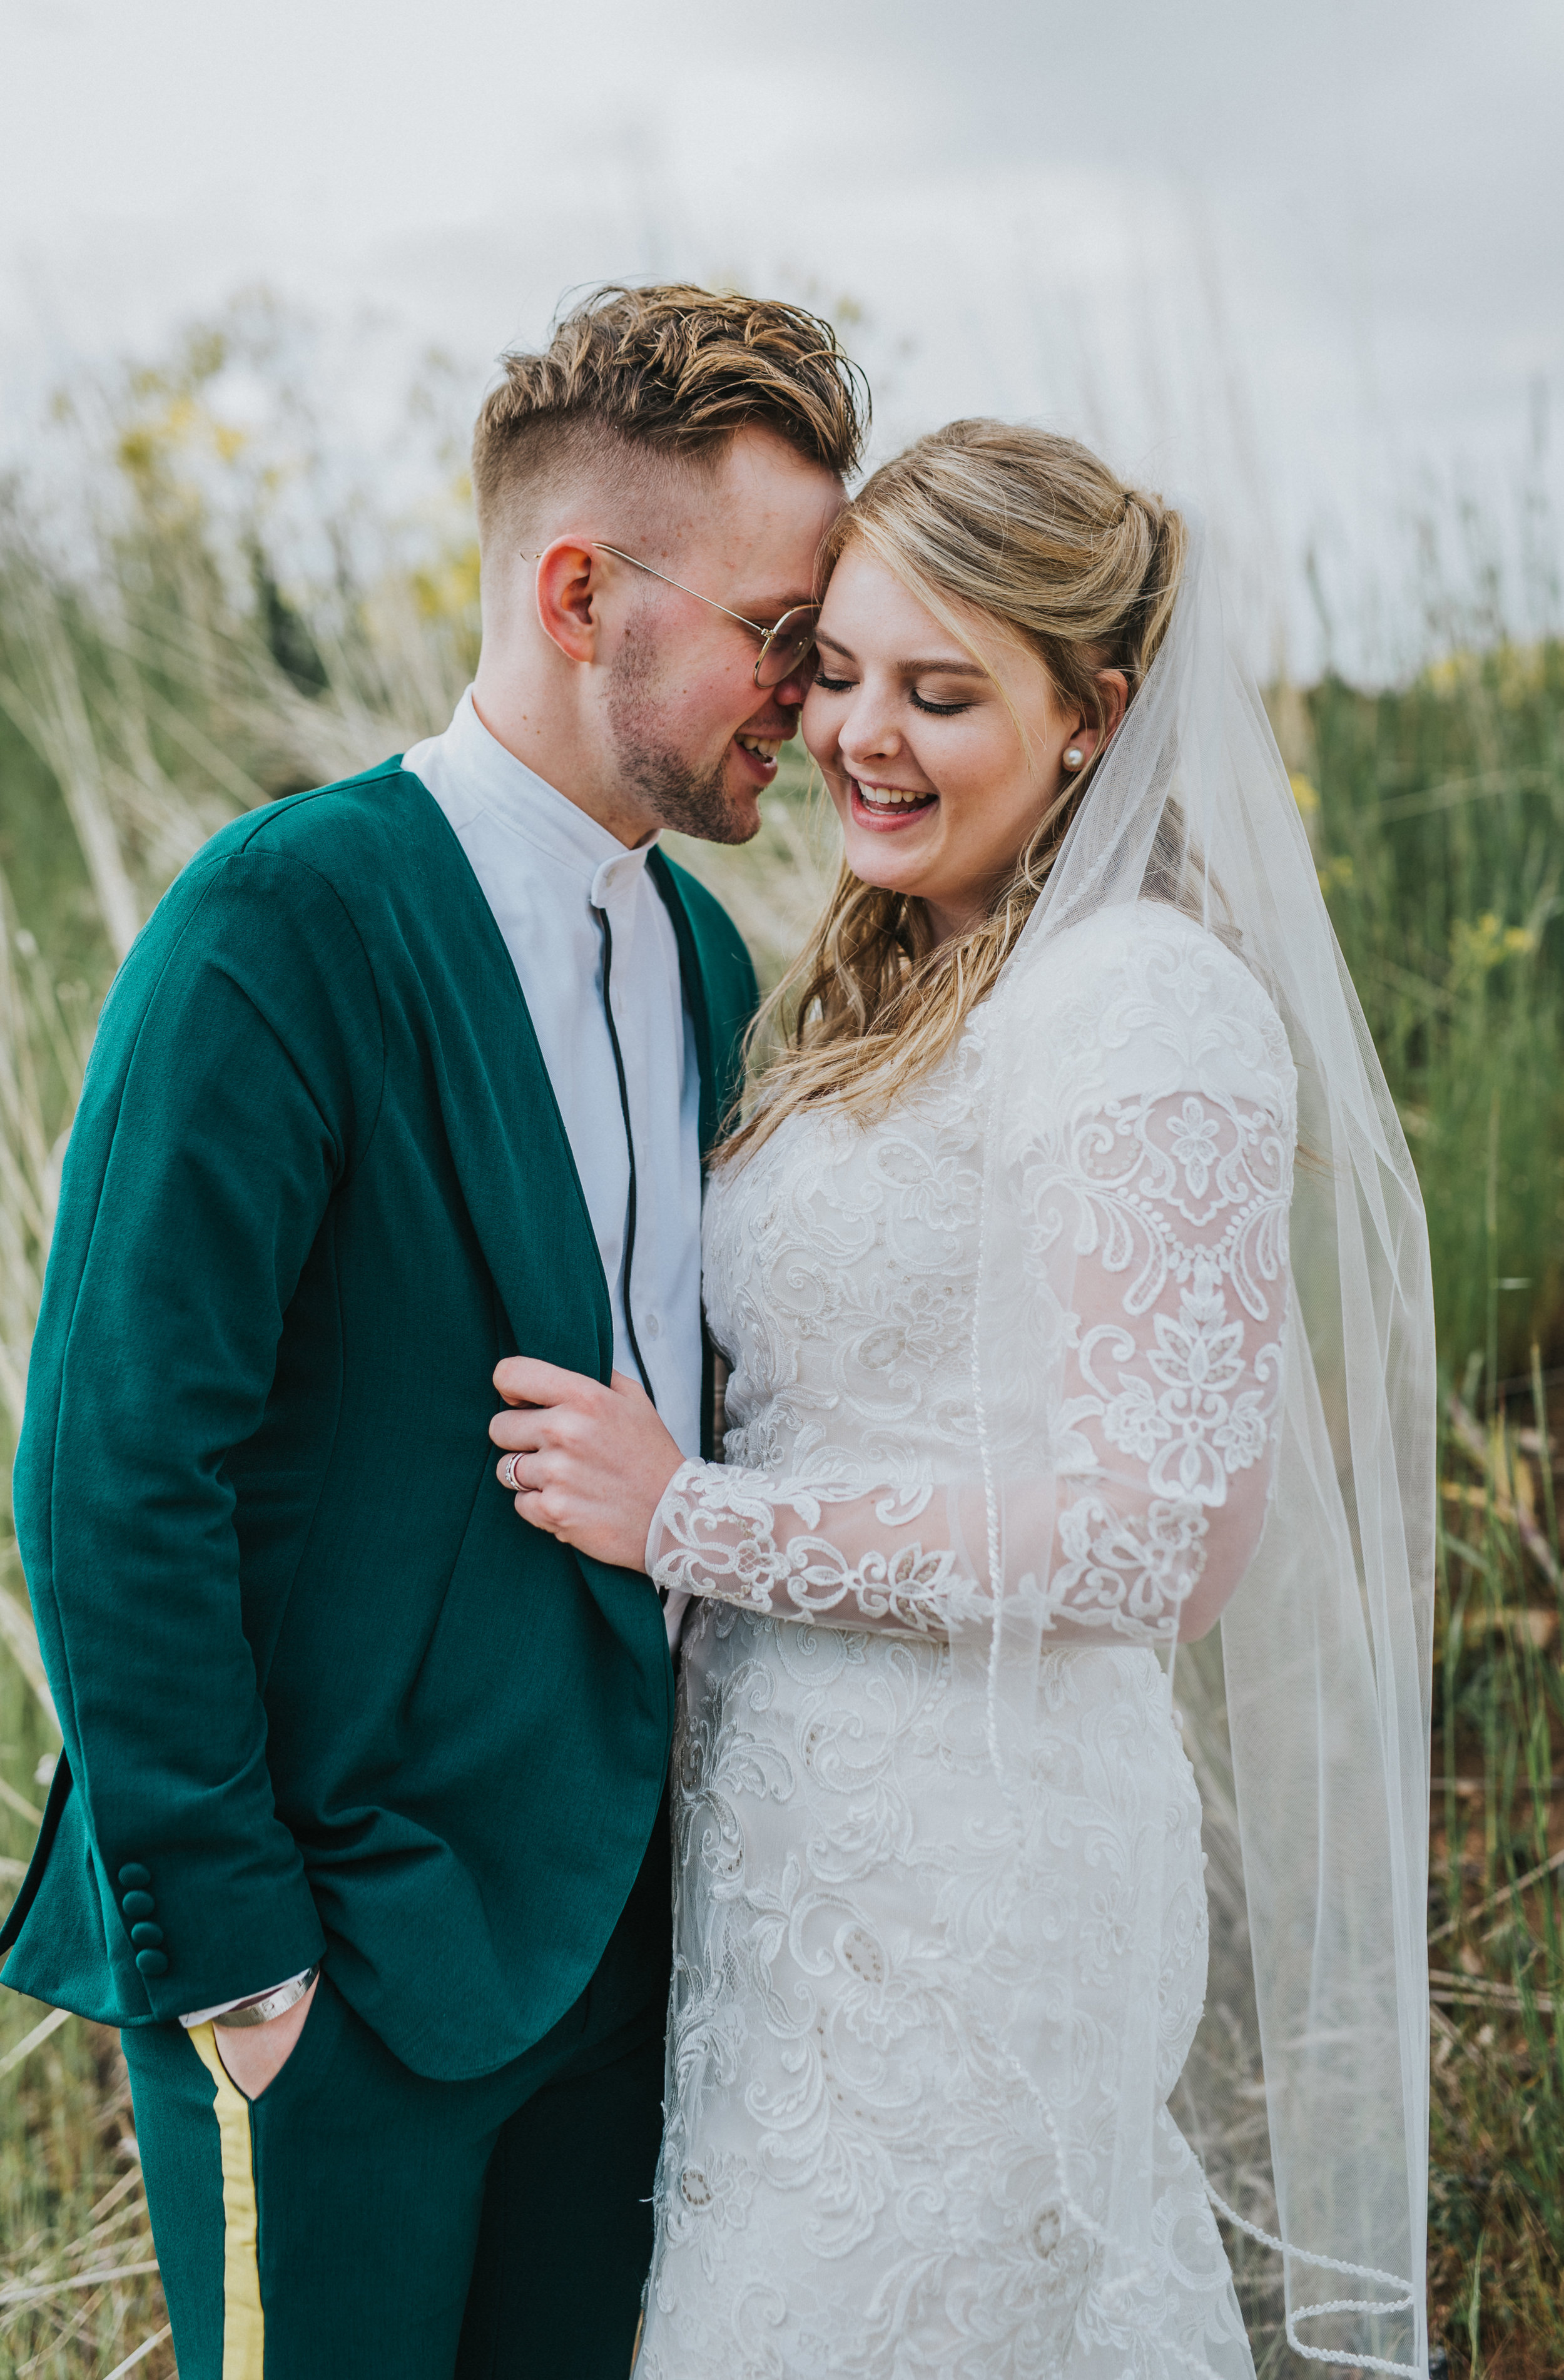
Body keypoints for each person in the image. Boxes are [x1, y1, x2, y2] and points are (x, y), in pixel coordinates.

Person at [491, 422, 1436, 2378]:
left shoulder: (1137, 999)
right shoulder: (898, 980)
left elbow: (1157, 1530)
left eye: (941, 692)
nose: (860, 737)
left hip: (984, 1884)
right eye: (832, 671)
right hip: (793, 1877)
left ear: (1092, 716)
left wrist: (694, 1517)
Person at [0, 283, 864, 2379]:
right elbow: (110, 1466)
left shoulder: (700, 950)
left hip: (621, 1969)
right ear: (582, 592)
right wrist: (243, 1966)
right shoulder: (282, 922)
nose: (811, 695)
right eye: (778, 629)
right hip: (339, 1984)